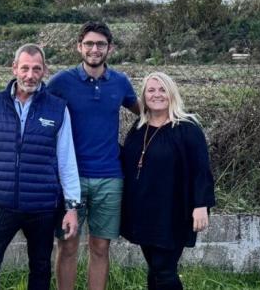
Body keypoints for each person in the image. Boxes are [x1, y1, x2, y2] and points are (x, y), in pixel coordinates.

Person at [0, 44, 82, 290]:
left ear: (44, 71)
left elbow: (66, 160)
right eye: (25, 68)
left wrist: (72, 206)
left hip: (41, 206)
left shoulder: (57, 108)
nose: (30, 75)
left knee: (40, 269)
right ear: (14, 68)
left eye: (36, 69)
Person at [48, 21, 139, 290]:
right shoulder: (62, 81)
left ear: (109, 48)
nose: (94, 49)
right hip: (70, 179)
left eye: (100, 44)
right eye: (89, 43)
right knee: (67, 246)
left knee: (100, 248)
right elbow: (31, 100)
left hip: (110, 178)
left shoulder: (120, 82)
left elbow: (146, 113)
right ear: (79, 47)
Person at [120, 72, 215, 290]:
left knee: (164, 271)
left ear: (171, 93)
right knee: (155, 269)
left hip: (173, 213)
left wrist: (201, 205)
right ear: (143, 96)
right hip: (144, 212)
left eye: (162, 89)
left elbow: (201, 170)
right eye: (151, 90)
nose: (157, 95)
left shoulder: (187, 129)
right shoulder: (138, 128)